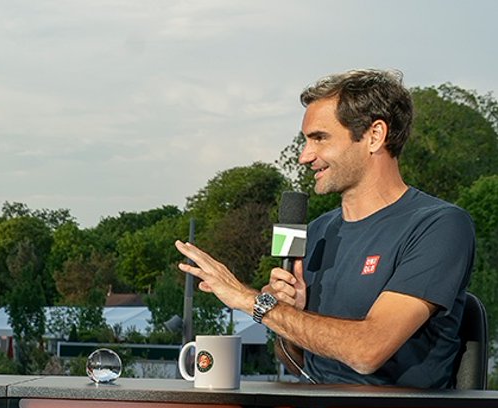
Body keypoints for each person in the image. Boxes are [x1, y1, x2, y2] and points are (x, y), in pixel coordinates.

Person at [176, 69, 475, 389]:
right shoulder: (317, 231)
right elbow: (294, 362)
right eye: (306, 140)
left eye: (319, 138)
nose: (304, 156)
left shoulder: (439, 226)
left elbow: (366, 351)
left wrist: (251, 301)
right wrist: (287, 314)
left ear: (375, 135)